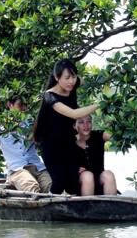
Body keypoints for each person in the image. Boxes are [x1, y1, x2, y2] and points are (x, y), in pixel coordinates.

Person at [33, 59, 98, 195]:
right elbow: (74, 114)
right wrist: (101, 104)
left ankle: (80, 209)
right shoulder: (49, 96)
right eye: (67, 78)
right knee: (59, 181)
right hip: (51, 146)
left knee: (74, 181)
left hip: (68, 143)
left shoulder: (73, 85)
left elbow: (92, 80)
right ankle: (48, 207)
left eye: (73, 77)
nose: (71, 81)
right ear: (57, 78)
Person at [0, 96, 52, 193]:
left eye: (25, 105)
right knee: (32, 188)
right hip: (17, 170)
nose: (24, 108)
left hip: (38, 167)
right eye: (20, 105)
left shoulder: (31, 123)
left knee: (52, 187)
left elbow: (41, 139)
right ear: (10, 105)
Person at [74, 115, 118, 195]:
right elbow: (58, 162)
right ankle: (88, 206)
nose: (86, 125)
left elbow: (117, 137)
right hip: (78, 183)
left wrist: (114, 125)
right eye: (81, 122)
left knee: (108, 174)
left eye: (89, 121)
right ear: (74, 126)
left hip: (98, 180)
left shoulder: (99, 135)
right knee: (88, 176)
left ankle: (111, 206)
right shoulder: (69, 141)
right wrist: (72, 168)